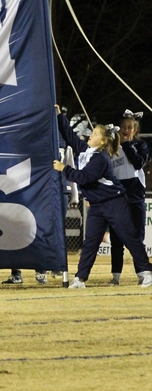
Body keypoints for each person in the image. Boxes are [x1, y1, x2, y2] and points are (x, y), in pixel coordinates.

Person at [54, 105, 152, 288]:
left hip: (114, 203)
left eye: (96, 134)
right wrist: (60, 116)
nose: (91, 135)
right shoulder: (85, 150)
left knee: (129, 237)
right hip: (98, 205)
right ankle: (80, 278)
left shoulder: (101, 158)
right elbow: (69, 135)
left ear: (102, 142)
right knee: (90, 242)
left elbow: (84, 177)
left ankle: (146, 272)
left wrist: (64, 168)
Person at [108, 110, 149, 285]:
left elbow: (139, 162)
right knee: (116, 238)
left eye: (130, 127)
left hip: (135, 197)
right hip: (117, 197)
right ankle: (115, 275)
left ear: (135, 130)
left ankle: (143, 273)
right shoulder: (112, 147)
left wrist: (127, 145)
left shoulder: (140, 145)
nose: (126, 130)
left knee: (137, 237)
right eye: (123, 127)